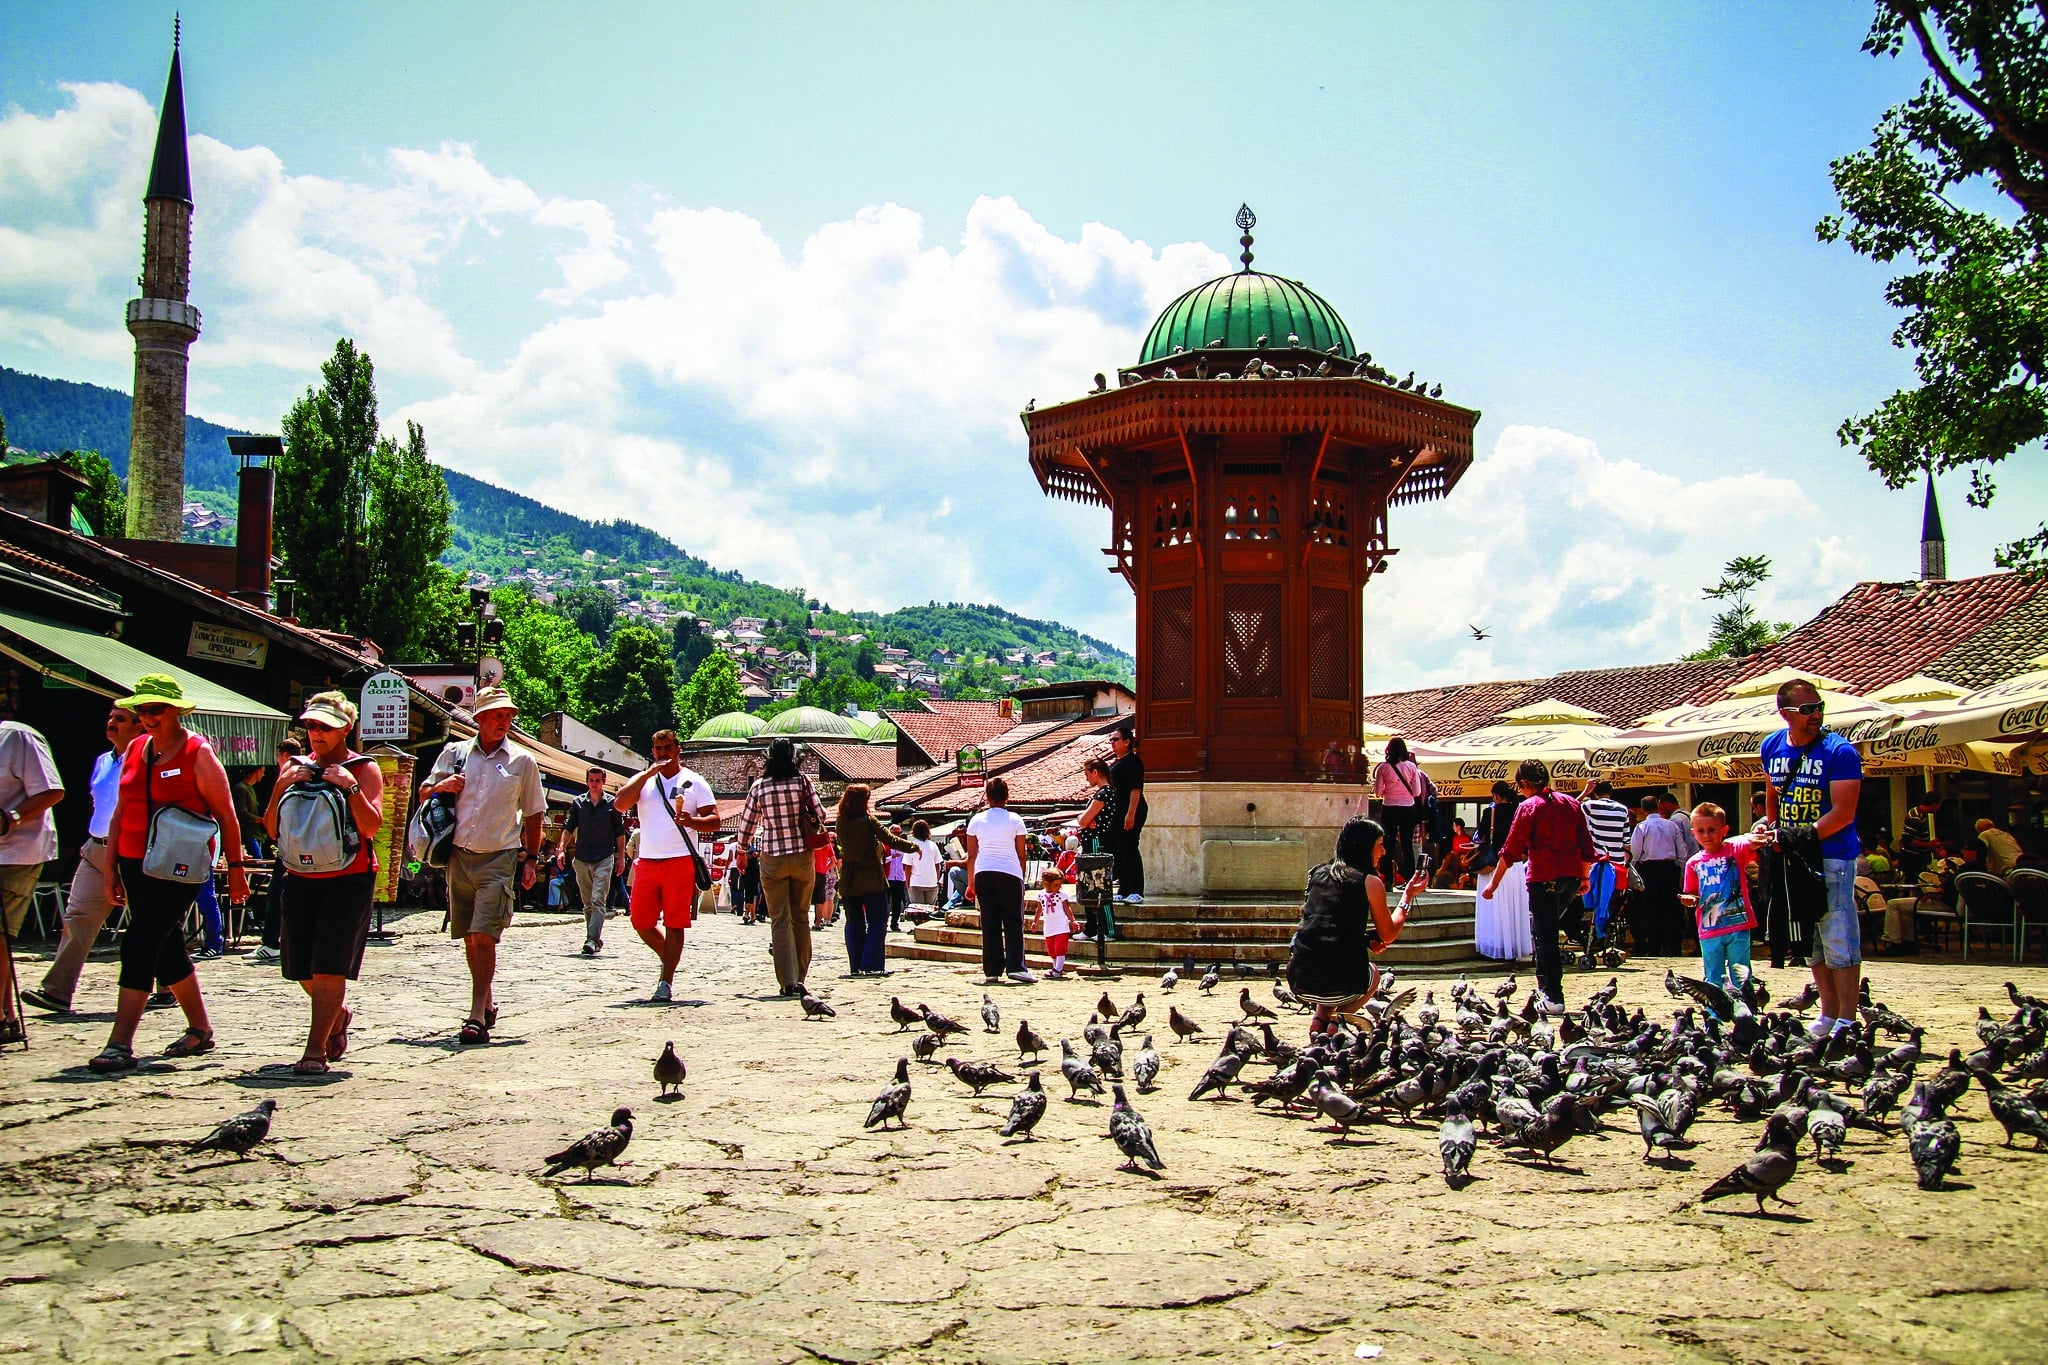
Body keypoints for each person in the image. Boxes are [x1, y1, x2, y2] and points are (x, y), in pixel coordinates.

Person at [88, 674, 248, 1071]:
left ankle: (120, 1041)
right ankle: (200, 1028)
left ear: (176, 710)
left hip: (180, 866)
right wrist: (108, 868)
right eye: (141, 709)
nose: (147, 716)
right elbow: (121, 810)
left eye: (155, 709)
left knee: (140, 941)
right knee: (166, 945)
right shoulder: (137, 748)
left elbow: (227, 815)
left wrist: (236, 868)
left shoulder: (198, 752)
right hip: (133, 860)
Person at [264, 691, 384, 1075]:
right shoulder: (293, 768)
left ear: (346, 728)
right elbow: (270, 826)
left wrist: (349, 787)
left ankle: (315, 1048)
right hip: (299, 875)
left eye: (325, 727)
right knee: (300, 968)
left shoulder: (364, 769)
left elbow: (371, 827)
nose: (316, 733)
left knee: (330, 965)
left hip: (348, 879)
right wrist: (283, 786)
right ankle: (338, 1014)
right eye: (311, 725)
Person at [418, 687, 544, 1045]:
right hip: (458, 855)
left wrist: (531, 859)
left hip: (499, 856)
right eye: (497, 715)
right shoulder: (455, 754)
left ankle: (475, 1015)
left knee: (484, 935)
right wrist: (443, 785)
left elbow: (534, 812)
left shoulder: (522, 761)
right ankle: (486, 1001)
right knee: (469, 937)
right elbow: (425, 792)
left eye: (508, 715)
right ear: (480, 719)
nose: (504, 721)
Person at [1760, 677, 1864, 1040]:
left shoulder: (1840, 752)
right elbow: (1773, 792)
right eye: (1806, 709)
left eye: (1819, 706)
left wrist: (1801, 835)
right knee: (1812, 937)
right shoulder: (1771, 745)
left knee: (1838, 935)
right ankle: (1828, 1012)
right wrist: (1774, 831)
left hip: (1831, 856)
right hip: (1793, 856)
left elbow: (1844, 812)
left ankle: (1848, 1019)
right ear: (1785, 713)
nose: (1815, 714)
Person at [24, 705, 136, 1017]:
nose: (111, 723)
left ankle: (167, 986)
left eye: (121, 719)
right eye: (111, 718)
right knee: (77, 918)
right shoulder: (103, 760)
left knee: (149, 923)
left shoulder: (144, 760)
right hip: (97, 847)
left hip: (132, 851)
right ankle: (57, 991)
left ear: (138, 727)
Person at [1286, 816, 1422, 1034]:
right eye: (1379, 845)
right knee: (1373, 974)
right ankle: (1337, 1022)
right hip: (1345, 984)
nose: (1384, 852)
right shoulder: (1370, 881)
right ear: (1365, 847)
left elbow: (1324, 923)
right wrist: (1408, 896)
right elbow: (1388, 934)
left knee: (1329, 960)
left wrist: (1365, 939)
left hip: (1300, 979)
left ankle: (1320, 1019)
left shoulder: (1317, 873)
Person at [611, 731, 717, 1002]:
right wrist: (646, 774)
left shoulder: (693, 781)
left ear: (678, 749)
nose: (662, 753)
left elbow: (714, 820)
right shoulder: (645, 783)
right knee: (640, 920)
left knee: (674, 923)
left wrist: (692, 821)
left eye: (667, 747)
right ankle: (669, 957)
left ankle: (666, 979)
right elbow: (620, 803)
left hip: (680, 860)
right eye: (657, 748)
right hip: (647, 860)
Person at [1481, 759, 1594, 1009]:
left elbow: (1510, 850)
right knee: (1547, 930)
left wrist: (1492, 885)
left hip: (1544, 876)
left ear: (1523, 783)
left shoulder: (1529, 807)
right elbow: (1587, 847)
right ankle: (1545, 988)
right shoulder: (1572, 803)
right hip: (1572, 877)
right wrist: (1584, 877)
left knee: (1546, 935)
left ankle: (1553, 994)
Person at [731, 738, 830, 996]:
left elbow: (747, 825)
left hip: (773, 857)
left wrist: (742, 849)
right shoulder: (803, 783)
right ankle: (801, 976)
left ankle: (787, 980)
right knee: (801, 918)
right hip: (801, 856)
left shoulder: (759, 786)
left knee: (780, 919)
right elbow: (821, 815)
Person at [0, 712, 65, 1045]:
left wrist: (9, 816)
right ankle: (6, 1014)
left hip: (17, 851)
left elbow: (52, 791)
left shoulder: (18, 737)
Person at [833, 785, 917, 975]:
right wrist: (913, 847)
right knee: (878, 921)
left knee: (853, 923)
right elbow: (891, 840)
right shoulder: (869, 821)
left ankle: (856, 965)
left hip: (849, 880)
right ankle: (871, 964)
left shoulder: (841, 822)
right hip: (871, 878)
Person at [1680, 802, 1757, 993]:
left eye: (1712, 830)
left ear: (1724, 830)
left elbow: (1753, 843)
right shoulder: (1693, 863)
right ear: (1693, 832)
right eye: (1701, 830)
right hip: (1709, 928)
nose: (1706, 835)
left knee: (1741, 972)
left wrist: (1760, 830)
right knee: (1713, 975)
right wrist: (1688, 899)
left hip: (1738, 923)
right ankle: (1714, 1014)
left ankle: (1746, 1012)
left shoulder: (1734, 850)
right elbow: (1691, 891)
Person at [964, 776, 1034, 985]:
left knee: (990, 921)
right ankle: (1016, 966)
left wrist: (970, 883)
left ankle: (992, 970)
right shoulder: (1015, 819)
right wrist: (1021, 877)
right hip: (1010, 871)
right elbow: (1021, 854)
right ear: (1007, 796)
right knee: (1013, 921)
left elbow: (971, 856)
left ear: (987, 797)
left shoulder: (976, 820)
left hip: (984, 872)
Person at [245, 736, 305, 966]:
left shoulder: (288, 775)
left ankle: (271, 943)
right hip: (302, 845)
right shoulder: (308, 773)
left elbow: (275, 819)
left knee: (277, 894)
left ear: (283, 756)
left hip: (288, 844)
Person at [559, 767, 628, 957]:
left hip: (604, 857)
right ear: (587, 781)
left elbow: (619, 832)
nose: (594, 784)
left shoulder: (612, 804)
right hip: (582, 858)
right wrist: (561, 849)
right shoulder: (579, 803)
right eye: (591, 780)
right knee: (588, 902)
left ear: (603, 781)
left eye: (598, 780)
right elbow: (569, 827)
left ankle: (591, 939)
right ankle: (594, 939)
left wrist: (621, 856)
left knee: (598, 899)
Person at [1628, 794, 1687, 957]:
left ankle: (1654, 946)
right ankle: (1673, 946)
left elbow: (1635, 853)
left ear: (1643, 809)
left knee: (1651, 909)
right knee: (1672, 909)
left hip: (1649, 870)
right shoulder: (1671, 825)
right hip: (1670, 869)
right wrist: (1682, 872)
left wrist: (1632, 872)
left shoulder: (1642, 827)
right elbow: (1681, 851)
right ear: (1657, 807)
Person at [1372, 737, 1424, 880]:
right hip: (1408, 808)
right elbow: (1417, 792)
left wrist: (1389, 789)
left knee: (1388, 844)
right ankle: (1410, 879)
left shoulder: (1383, 767)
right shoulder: (1412, 767)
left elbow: (1378, 792)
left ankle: (1388, 879)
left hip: (1389, 807)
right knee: (1407, 845)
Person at [1106, 724, 1147, 903]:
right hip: (1117, 812)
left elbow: (1135, 790)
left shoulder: (1133, 761)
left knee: (1129, 849)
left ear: (1127, 741)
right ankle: (1123, 888)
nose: (1112, 743)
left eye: (1115, 739)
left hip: (1131, 810)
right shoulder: (1117, 762)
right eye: (1111, 740)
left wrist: (1131, 814)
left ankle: (1136, 890)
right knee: (1119, 850)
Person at [1035, 867, 1075, 978]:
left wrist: (1073, 920)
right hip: (1049, 926)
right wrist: (1035, 921)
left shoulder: (1062, 895)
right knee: (1051, 949)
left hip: (1061, 925)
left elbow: (1067, 908)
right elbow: (1039, 908)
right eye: (1056, 885)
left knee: (1060, 948)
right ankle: (1055, 967)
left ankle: (1058, 969)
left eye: (1059, 885)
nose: (1058, 887)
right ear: (1047, 884)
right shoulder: (1041, 895)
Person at [905, 819, 942, 910]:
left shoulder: (911, 846)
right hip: (931, 883)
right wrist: (936, 879)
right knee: (930, 911)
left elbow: (908, 866)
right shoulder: (933, 845)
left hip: (916, 882)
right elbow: (937, 865)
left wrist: (907, 882)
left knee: (918, 911)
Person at [884, 827, 910, 933]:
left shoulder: (903, 846)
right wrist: (891, 857)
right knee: (885, 902)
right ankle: (883, 923)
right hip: (888, 877)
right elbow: (880, 860)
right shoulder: (885, 845)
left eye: (899, 833)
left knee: (897, 903)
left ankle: (894, 923)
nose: (897, 835)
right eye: (895, 833)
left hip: (899, 878)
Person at [811, 836, 838, 931]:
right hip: (822, 873)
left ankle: (803, 923)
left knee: (805, 899)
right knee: (819, 899)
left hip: (810, 872)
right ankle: (818, 923)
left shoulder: (811, 840)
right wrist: (825, 869)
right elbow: (834, 861)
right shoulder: (827, 843)